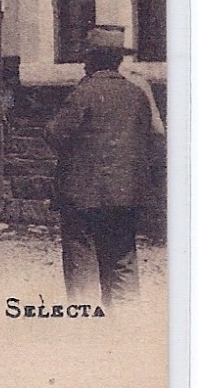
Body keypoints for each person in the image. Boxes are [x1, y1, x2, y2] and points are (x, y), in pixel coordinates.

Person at [44, 24, 158, 308]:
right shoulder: (137, 94)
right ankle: (127, 327)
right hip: (126, 194)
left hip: (82, 196)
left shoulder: (84, 92)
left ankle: (86, 329)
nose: (83, 61)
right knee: (122, 261)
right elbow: (152, 138)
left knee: (82, 261)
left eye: (86, 56)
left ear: (93, 58)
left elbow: (55, 134)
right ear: (119, 59)